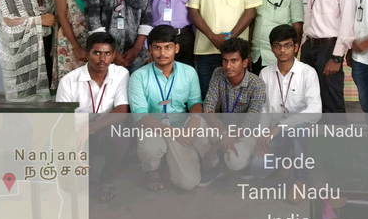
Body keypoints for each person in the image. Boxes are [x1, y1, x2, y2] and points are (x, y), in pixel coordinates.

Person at [56, 32, 130, 202]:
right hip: (76, 131)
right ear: (87, 54)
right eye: (97, 53)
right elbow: (63, 120)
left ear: (113, 55)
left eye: (107, 53)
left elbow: (121, 110)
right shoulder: (68, 81)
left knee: (119, 134)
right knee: (72, 187)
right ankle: (83, 169)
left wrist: (88, 128)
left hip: (105, 128)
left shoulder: (121, 74)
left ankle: (108, 176)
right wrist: (75, 146)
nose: (102, 59)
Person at [128, 25, 204, 191]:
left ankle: (195, 160)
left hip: (180, 127)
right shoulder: (138, 76)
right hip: (153, 128)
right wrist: (172, 133)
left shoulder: (189, 72)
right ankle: (152, 170)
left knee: (187, 183)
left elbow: (195, 102)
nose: (162, 53)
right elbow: (141, 117)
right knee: (149, 147)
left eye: (168, 47)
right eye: (157, 48)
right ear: (149, 50)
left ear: (176, 48)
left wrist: (195, 118)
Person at [251, 25, 321, 202]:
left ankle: (301, 180)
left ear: (296, 47)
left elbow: (315, 111)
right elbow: (264, 109)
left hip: (301, 132)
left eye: (287, 45)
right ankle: (287, 158)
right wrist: (262, 136)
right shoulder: (265, 73)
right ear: (272, 48)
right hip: (276, 133)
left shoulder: (307, 73)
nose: (282, 50)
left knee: (300, 129)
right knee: (258, 168)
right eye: (278, 46)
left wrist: (281, 127)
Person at [301, 0, 355, 125]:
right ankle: (314, 141)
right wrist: (303, 43)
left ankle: (337, 143)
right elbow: (310, 14)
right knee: (310, 100)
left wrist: (337, 56)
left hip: (329, 47)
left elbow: (348, 17)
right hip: (310, 46)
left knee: (331, 101)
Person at [198, 37, 266, 185]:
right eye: (225, 60)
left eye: (234, 61)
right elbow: (208, 107)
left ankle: (242, 161)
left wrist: (216, 146)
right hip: (223, 128)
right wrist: (224, 134)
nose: (228, 66)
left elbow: (249, 124)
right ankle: (216, 166)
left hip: (246, 133)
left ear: (245, 62)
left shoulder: (257, 84)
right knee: (198, 124)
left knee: (235, 161)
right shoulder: (218, 73)